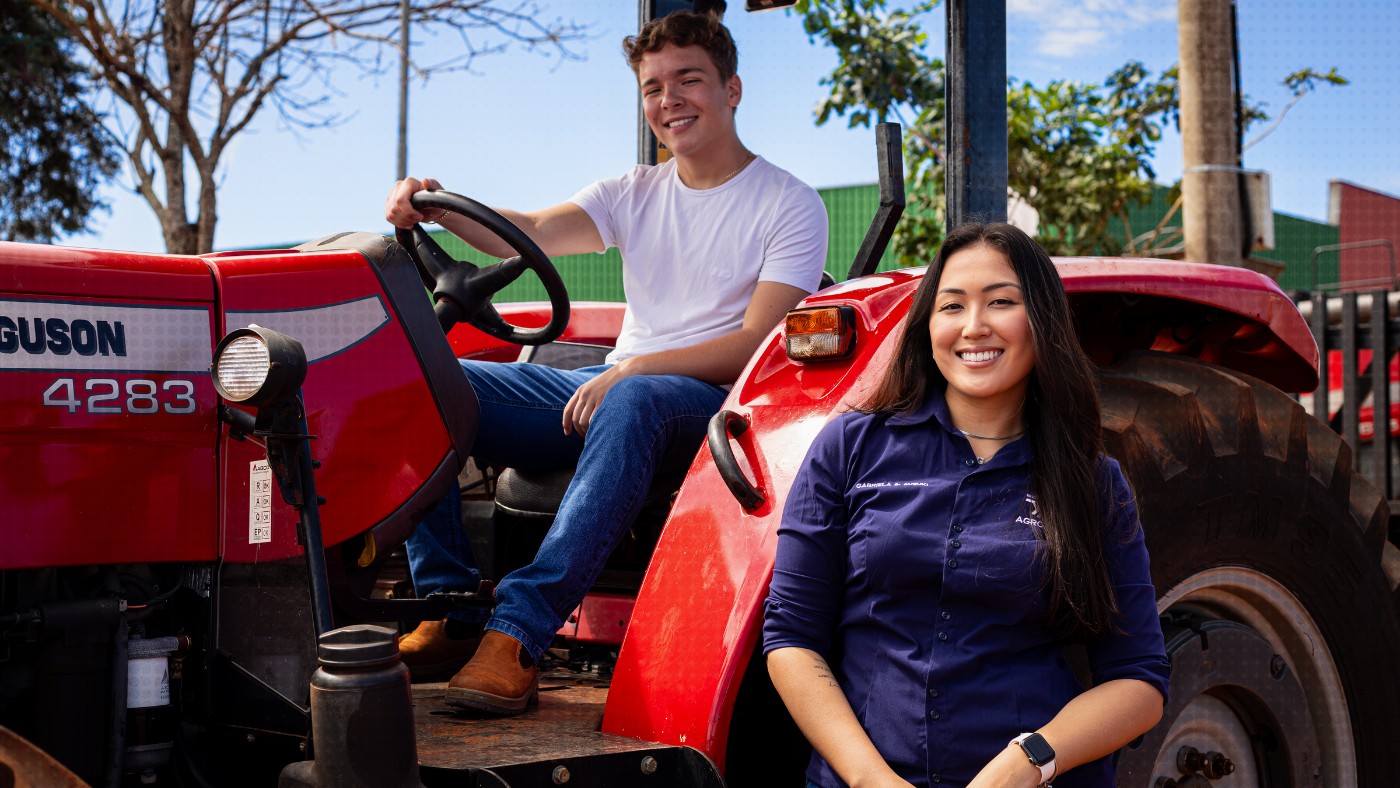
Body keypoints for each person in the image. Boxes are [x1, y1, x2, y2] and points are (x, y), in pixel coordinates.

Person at [384, 10, 829, 716]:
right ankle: (449, 608)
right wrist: (436, 208)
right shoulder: (635, 191)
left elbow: (757, 341)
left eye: (689, 80)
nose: (669, 100)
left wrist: (634, 369)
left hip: (714, 408)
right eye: (653, 87)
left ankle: (517, 633)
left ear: (732, 89)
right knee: (423, 381)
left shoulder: (787, 202)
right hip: (617, 388)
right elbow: (529, 232)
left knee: (632, 398)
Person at [763, 222, 1169, 787]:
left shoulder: (1093, 482)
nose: (974, 326)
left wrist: (1029, 762)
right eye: (951, 306)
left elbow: (1139, 680)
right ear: (928, 326)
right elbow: (791, 637)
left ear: (1043, 321)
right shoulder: (850, 448)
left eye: (1001, 302)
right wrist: (871, 780)